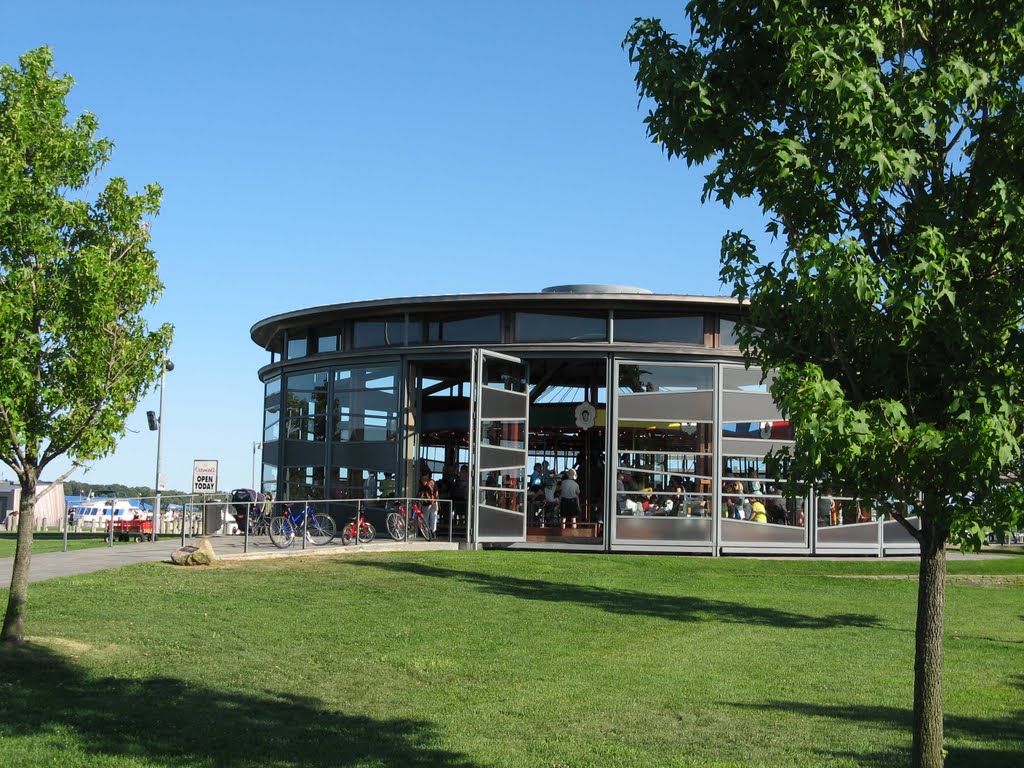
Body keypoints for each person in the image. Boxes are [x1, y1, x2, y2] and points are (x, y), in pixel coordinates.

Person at [419, 469, 439, 535]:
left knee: (425, 517)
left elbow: (420, 492)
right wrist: (436, 500)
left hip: (426, 502)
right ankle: (433, 531)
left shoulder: (422, 482)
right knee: (434, 516)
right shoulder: (433, 482)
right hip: (433, 501)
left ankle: (426, 532)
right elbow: (436, 493)